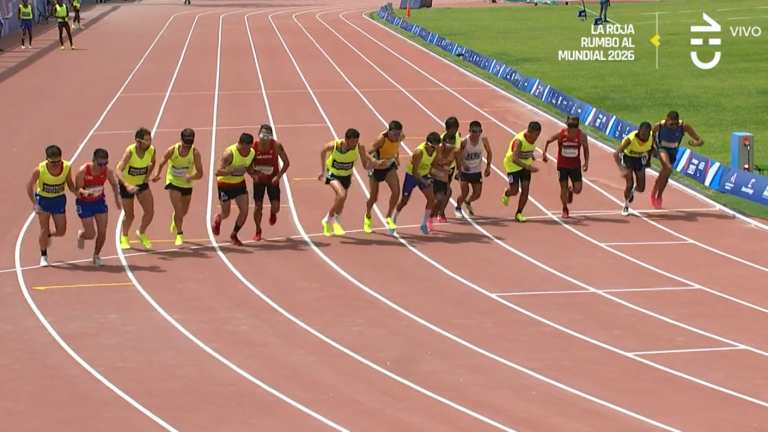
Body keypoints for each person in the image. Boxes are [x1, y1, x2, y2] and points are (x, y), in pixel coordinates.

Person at [318, 128, 380, 237]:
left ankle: (328, 223)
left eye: (356, 141)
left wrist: (372, 163)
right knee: (342, 195)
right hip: (333, 173)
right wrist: (322, 170)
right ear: (346, 139)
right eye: (352, 141)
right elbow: (323, 151)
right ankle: (332, 220)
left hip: (346, 176)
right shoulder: (335, 145)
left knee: (340, 200)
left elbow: (365, 163)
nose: (354, 143)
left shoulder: (359, 147)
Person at [151, 128, 204, 246]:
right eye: (185, 145)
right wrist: (157, 175)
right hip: (173, 182)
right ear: (181, 140)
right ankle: (179, 234)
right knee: (179, 208)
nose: (187, 148)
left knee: (183, 211)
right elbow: (161, 162)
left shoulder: (195, 153)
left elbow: (200, 173)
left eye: (189, 146)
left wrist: (191, 177)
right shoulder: (172, 150)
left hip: (187, 184)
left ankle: (175, 220)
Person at [26, 145, 76, 267]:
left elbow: (69, 183)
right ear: (47, 159)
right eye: (53, 162)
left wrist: (77, 192)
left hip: (58, 199)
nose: (56, 164)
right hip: (43, 200)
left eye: (58, 161)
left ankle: (48, 234)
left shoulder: (66, 167)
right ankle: (43, 256)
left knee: (61, 231)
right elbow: (29, 186)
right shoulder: (39, 170)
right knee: (43, 228)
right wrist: (35, 203)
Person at [74, 149, 121, 266]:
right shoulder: (83, 171)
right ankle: (82, 235)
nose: (102, 166)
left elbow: (114, 184)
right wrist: (85, 193)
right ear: (93, 161)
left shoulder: (107, 172)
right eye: (100, 164)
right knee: (91, 234)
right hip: (84, 203)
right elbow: (77, 189)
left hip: (99, 202)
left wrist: (117, 198)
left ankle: (96, 255)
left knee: (102, 231)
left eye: (105, 163)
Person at [650, 111, 704, 209]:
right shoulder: (659, 126)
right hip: (662, 149)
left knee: (665, 174)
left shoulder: (684, 126)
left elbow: (699, 140)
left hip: (673, 151)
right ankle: (656, 194)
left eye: (676, 124)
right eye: (671, 124)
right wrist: (653, 148)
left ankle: (658, 194)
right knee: (668, 168)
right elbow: (650, 136)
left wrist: (696, 143)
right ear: (666, 120)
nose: (674, 126)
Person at [115, 127, 156, 250]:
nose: (149, 143)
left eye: (150, 140)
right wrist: (127, 185)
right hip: (126, 185)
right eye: (146, 141)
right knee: (130, 215)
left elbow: (153, 162)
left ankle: (141, 232)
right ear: (138, 141)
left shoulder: (151, 150)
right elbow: (118, 170)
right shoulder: (130, 152)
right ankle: (125, 237)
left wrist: (148, 175)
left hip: (141, 183)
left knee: (150, 212)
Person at [212, 133, 256, 246]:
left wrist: (254, 174)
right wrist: (233, 170)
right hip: (224, 184)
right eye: (245, 148)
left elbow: (249, 168)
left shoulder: (251, 153)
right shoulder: (230, 153)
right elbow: (218, 172)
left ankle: (234, 234)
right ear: (239, 144)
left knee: (245, 210)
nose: (247, 151)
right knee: (226, 213)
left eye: (249, 148)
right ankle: (218, 219)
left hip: (239, 184)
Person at [392, 132, 441, 235]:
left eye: (436, 147)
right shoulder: (419, 152)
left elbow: (433, 164)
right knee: (404, 200)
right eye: (432, 147)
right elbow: (415, 172)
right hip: (412, 176)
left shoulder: (436, 151)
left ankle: (423, 224)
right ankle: (394, 219)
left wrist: (441, 172)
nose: (434, 149)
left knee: (431, 198)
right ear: (427, 143)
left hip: (424, 175)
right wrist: (425, 181)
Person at [543, 116, 589, 219]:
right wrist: (544, 154)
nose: (572, 128)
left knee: (578, 189)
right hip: (562, 166)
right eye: (570, 125)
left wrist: (586, 162)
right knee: (563, 188)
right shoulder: (561, 134)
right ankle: (565, 208)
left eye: (575, 126)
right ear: (566, 124)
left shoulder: (581, 136)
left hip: (575, 166)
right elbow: (548, 140)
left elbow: (586, 149)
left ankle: (571, 190)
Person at [251, 124, 289, 241]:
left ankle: (273, 213)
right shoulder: (253, 147)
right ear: (258, 135)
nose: (265, 138)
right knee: (258, 207)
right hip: (259, 180)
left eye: (267, 136)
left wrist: (278, 176)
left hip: (273, 180)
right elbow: (247, 164)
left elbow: (286, 162)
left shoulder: (276, 146)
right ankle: (258, 230)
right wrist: (253, 174)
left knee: (276, 207)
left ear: (271, 137)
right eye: (263, 135)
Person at [364, 120, 403, 234]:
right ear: (389, 132)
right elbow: (367, 152)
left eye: (399, 133)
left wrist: (397, 158)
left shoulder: (400, 137)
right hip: (376, 169)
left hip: (389, 167)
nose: (397, 136)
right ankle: (367, 217)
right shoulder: (381, 139)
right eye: (395, 134)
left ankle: (388, 216)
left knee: (396, 192)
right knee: (373, 197)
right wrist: (375, 161)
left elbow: (397, 146)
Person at [502, 122, 541, 222]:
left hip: (525, 165)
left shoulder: (533, 139)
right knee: (514, 190)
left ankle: (519, 213)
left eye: (538, 134)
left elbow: (529, 149)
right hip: (512, 165)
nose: (537, 137)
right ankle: (507, 193)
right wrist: (528, 167)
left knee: (525, 189)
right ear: (529, 132)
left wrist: (531, 156)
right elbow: (514, 158)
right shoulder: (519, 141)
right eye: (536, 135)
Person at [615, 122, 654, 216]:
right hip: (627, 158)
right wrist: (621, 169)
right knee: (629, 183)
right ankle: (626, 205)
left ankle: (632, 192)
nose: (644, 136)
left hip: (639, 159)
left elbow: (650, 148)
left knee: (641, 188)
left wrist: (648, 160)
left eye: (646, 134)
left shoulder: (651, 137)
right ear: (639, 131)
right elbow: (616, 153)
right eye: (642, 133)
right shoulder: (630, 139)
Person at [455, 120, 492, 218]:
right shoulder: (464, 141)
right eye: (474, 132)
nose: (477, 134)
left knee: (477, 194)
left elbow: (489, 152)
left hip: (476, 170)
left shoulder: (483, 140)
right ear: (470, 131)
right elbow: (457, 154)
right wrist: (462, 164)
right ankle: (458, 208)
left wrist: (488, 166)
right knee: (464, 192)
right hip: (465, 171)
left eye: (479, 131)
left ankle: (468, 202)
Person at [429, 133, 463, 223]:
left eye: (453, 144)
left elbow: (459, 164)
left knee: (448, 193)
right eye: (449, 144)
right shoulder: (437, 150)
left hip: (444, 176)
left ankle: (441, 213)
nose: (451, 147)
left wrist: (458, 172)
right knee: (436, 199)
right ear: (443, 143)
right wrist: (443, 169)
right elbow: (431, 163)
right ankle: (430, 217)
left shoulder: (456, 151)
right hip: (432, 174)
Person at [436, 116, 461, 223]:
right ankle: (439, 212)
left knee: (446, 190)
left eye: (456, 128)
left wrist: (459, 169)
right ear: (447, 129)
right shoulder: (442, 139)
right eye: (453, 129)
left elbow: (458, 151)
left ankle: (441, 211)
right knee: (444, 192)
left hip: (451, 167)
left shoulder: (457, 136)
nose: (455, 131)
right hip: (441, 168)